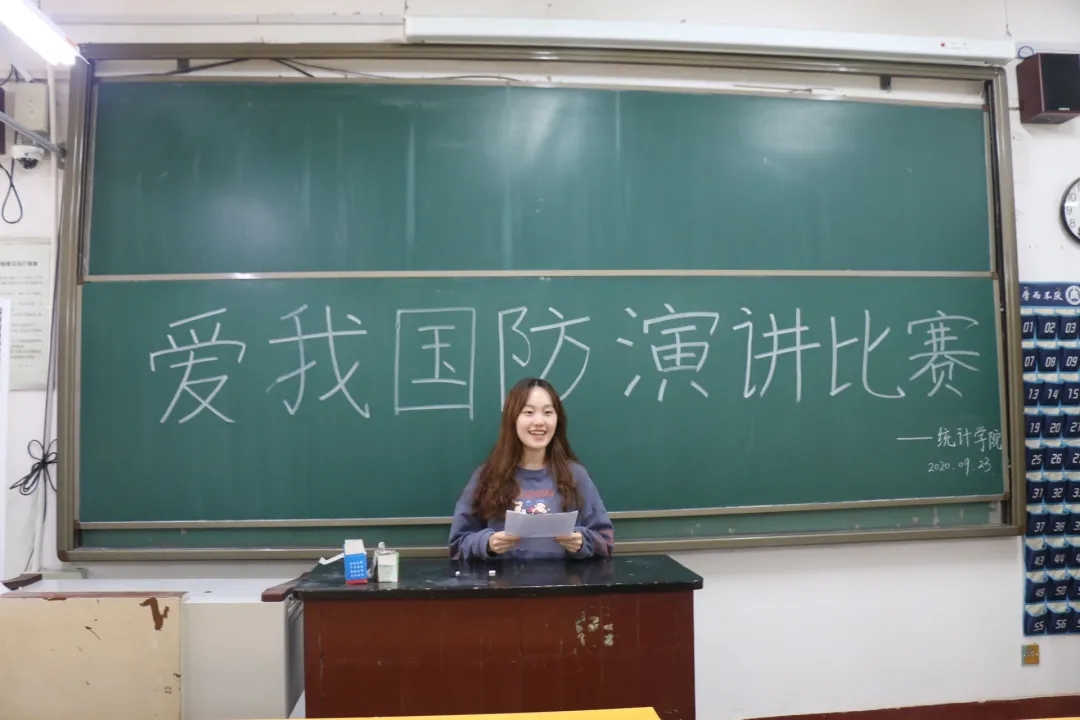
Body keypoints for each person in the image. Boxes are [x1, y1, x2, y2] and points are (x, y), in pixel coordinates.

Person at [448, 377, 614, 560]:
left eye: (548, 412)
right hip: (503, 578)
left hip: (564, 578)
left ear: (558, 419)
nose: (539, 421)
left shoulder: (576, 476)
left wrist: (582, 542)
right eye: (528, 412)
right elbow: (457, 545)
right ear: (513, 419)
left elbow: (605, 541)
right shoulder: (486, 476)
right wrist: (487, 544)